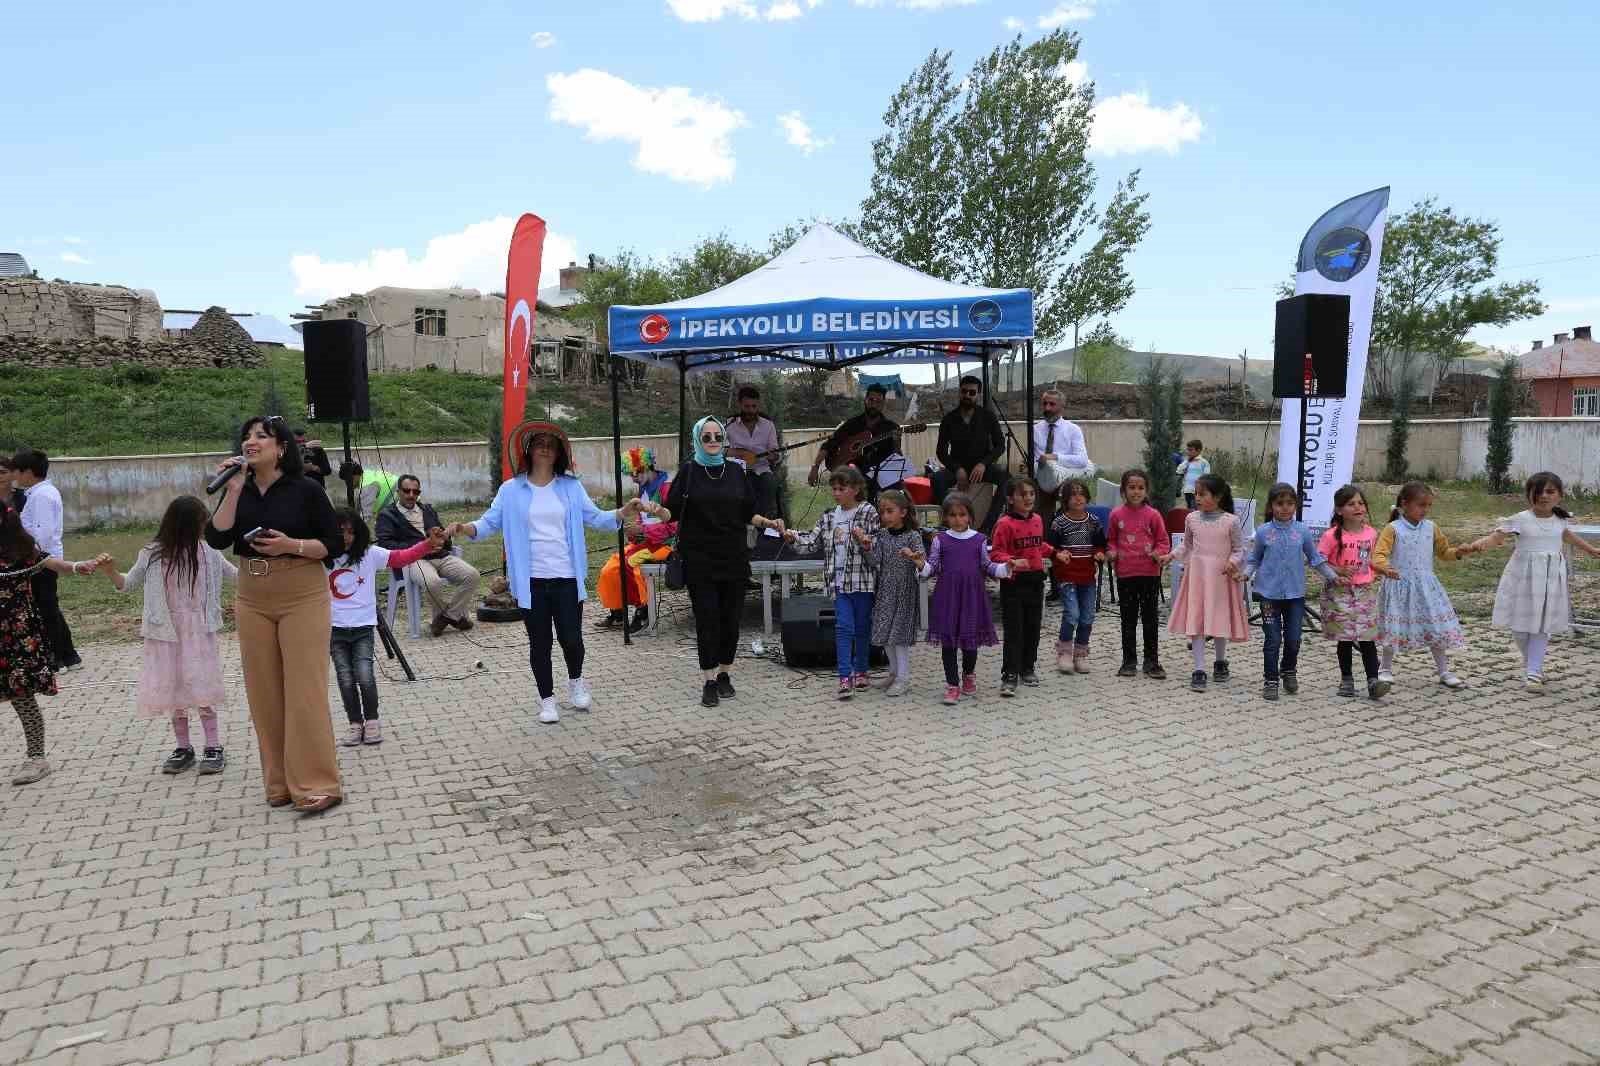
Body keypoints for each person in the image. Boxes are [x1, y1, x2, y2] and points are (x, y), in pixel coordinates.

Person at [449, 422, 648, 724]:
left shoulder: (570, 487)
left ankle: (576, 682)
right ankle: (547, 700)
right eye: (539, 442)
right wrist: (465, 528)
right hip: (531, 583)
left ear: (558, 453)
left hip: (567, 577)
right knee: (539, 644)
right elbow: (488, 523)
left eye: (550, 444)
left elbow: (595, 517)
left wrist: (623, 512)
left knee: (572, 639)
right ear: (528, 450)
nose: (545, 447)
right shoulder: (511, 489)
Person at [205, 415, 345, 814]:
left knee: (304, 690)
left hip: (301, 591)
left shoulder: (307, 489)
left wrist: (291, 545)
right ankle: (280, 782)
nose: (251, 441)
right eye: (246, 436)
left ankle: (318, 782)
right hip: (252, 596)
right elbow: (216, 538)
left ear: (281, 447)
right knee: (264, 692)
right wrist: (232, 490)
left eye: (261, 436)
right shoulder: (239, 487)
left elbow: (332, 544)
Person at [100, 496, 238, 776]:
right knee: (175, 690)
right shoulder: (152, 554)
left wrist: (264, 565)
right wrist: (110, 571)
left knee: (201, 687)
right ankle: (183, 747)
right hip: (165, 634)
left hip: (198, 632)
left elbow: (238, 575)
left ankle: (213, 746)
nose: (206, 528)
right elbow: (126, 584)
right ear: (185, 525)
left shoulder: (209, 553)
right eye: (202, 523)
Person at [666, 417, 784, 708]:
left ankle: (725, 674)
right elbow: (672, 513)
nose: (713, 440)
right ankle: (708, 680)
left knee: (731, 620)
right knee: (707, 620)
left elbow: (749, 512)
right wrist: (654, 509)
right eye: (706, 437)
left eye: (717, 435)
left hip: (733, 557)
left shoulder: (735, 471)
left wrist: (768, 521)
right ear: (697, 440)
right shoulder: (689, 471)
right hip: (699, 559)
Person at [1467, 471, 1600, 689]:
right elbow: (1496, 537)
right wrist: (1479, 544)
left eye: (1550, 491)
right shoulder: (1520, 519)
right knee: (1520, 628)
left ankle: (1533, 671)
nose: (1543, 496)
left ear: (1560, 495)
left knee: (1541, 625)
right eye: (1537, 492)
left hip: (1549, 581)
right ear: (1529, 494)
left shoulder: (1560, 520)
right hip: (1522, 580)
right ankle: (1532, 664)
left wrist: (1591, 549)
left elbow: (1567, 536)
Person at [1, 503, 101, 786]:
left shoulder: (20, 550)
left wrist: (78, 566)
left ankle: (36, 758)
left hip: (17, 636)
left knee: (22, 696)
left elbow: (52, 563)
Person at [327, 508, 446, 745]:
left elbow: (400, 557)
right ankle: (354, 723)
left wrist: (426, 545)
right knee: (345, 678)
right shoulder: (323, 557)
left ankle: (371, 721)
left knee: (365, 676)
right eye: (340, 532)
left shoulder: (369, 554)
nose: (346, 537)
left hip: (363, 628)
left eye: (351, 532)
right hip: (334, 629)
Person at [1371, 481, 1480, 693]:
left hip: (1427, 588)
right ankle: (1385, 668)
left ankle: (1443, 671)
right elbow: (1379, 555)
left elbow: (1444, 552)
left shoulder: (1432, 528)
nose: (1425, 510)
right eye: (1421, 505)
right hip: (1398, 587)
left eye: (1428, 505)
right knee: (1394, 627)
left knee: (1435, 626)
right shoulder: (1392, 529)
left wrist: (1459, 552)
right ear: (1404, 504)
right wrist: (1385, 568)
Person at [1240, 483, 1343, 701]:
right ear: (1271, 506)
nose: (1285, 508)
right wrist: (1245, 574)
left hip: (1295, 596)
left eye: (1290, 503)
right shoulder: (1263, 532)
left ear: (1295, 505)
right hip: (1269, 596)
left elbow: (1315, 558)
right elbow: (1254, 559)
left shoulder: (1302, 531)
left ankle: (1288, 670)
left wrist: (1333, 576)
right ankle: (1270, 679)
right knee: (1272, 639)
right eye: (1280, 504)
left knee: (1294, 638)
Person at [785, 466, 881, 700]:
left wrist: (865, 542)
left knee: (862, 628)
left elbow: (876, 550)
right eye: (834, 489)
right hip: (838, 584)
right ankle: (844, 677)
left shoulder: (868, 512)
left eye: (842, 488)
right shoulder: (829, 517)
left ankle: (861, 671)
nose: (837, 493)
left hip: (862, 582)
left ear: (856, 489)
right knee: (843, 628)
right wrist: (792, 537)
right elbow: (809, 543)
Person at [1160, 474, 1247, 692]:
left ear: (1217, 497)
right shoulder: (1192, 519)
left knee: (1218, 622)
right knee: (1196, 622)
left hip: (1221, 580)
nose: (1197, 498)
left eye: (1202, 494)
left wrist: (1232, 562)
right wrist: (1172, 555)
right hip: (1197, 579)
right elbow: (1187, 546)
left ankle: (1220, 661)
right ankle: (1199, 669)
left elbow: (1239, 549)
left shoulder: (1231, 521)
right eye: (1196, 494)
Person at [920, 492, 1005, 706]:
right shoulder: (940, 540)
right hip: (947, 597)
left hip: (972, 598)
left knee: (970, 641)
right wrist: (920, 565)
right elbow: (933, 566)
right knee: (948, 642)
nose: (958, 519)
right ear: (945, 518)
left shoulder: (979, 540)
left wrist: (1006, 568)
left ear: (970, 517)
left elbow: (987, 566)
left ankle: (969, 674)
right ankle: (952, 685)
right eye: (952, 515)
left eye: (962, 514)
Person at [377, 474, 479, 637]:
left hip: (441, 556)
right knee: (433, 583)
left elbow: (446, 540)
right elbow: (385, 546)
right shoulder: (387, 515)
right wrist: (420, 547)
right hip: (414, 560)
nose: (411, 495)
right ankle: (455, 617)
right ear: (398, 492)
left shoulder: (427, 510)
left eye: (415, 492)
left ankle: (446, 617)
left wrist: (443, 538)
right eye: (407, 491)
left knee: (472, 575)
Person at [11, 449, 81, 672]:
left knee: (45, 609)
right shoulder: (39, 493)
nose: (15, 477)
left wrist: (26, 552)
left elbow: (43, 533)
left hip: (41, 560)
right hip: (41, 558)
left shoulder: (42, 496)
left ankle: (55, 659)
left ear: (29, 472)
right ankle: (69, 656)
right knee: (49, 607)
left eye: (17, 472)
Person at [596, 447, 674, 633]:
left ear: (649, 467)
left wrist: (644, 531)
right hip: (645, 543)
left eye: (637, 472)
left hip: (665, 545)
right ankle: (617, 613)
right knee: (611, 567)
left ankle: (643, 612)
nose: (633, 477)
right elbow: (641, 519)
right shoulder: (644, 490)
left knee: (631, 564)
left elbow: (674, 525)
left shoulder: (667, 488)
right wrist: (634, 532)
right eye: (630, 474)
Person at [1318, 484, 1384, 699]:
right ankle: (1346, 680)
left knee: (1367, 638)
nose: (1357, 507)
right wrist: (1337, 570)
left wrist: (1384, 569)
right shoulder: (1331, 536)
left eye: (1361, 503)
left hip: (1364, 591)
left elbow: (1374, 559)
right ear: (1339, 510)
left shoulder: (1372, 533)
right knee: (1344, 638)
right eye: (1350, 504)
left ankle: (1373, 681)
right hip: (1339, 594)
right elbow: (1318, 561)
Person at [988, 478, 1051, 696]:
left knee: (1033, 628)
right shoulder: (1004, 524)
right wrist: (1011, 561)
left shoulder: (1037, 520)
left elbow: (1038, 545)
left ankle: (1028, 667)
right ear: (1010, 498)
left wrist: (1055, 552)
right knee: (1015, 630)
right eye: (1022, 494)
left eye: (1031, 493)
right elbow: (995, 552)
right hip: (1013, 583)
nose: (1028, 498)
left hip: (1035, 580)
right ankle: (1010, 673)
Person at [1107, 469, 1169, 680]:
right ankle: (1128, 661)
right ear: (1124, 490)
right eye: (1132, 487)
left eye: (1140, 488)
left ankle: (1152, 662)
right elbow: (1112, 540)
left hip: (1149, 575)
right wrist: (1112, 552)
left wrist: (1158, 553)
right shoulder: (1116, 515)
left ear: (1146, 490)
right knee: (1128, 619)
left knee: (1150, 619)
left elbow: (1163, 541)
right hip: (1126, 575)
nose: (1136, 491)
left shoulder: (1153, 515)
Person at [864, 489, 924, 698]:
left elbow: (922, 563)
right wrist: (866, 548)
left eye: (890, 511)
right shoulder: (882, 535)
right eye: (883, 512)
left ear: (903, 512)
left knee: (899, 637)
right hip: (885, 590)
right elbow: (875, 561)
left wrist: (914, 557)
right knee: (885, 634)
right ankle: (893, 672)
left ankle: (903, 679)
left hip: (905, 592)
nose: (885, 516)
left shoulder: (913, 536)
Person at [933, 376, 1007, 532]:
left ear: (978, 394)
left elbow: (1000, 445)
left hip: (982, 467)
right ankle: (949, 524)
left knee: (1006, 478)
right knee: (936, 479)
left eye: (972, 392)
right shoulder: (949, 419)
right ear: (959, 392)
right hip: (957, 467)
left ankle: (988, 527)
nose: (967, 395)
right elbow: (941, 451)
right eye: (964, 391)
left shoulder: (988, 416)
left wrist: (983, 464)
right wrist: (957, 468)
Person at [1047, 479, 1106, 675]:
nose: (1078, 497)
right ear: (1065, 499)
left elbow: (1100, 544)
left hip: (1088, 576)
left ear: (1087, 497)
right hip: (1067, 577)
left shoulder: (1094, 521)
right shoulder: (1059, 523)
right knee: (1072, 615)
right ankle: (1064, 652)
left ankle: (1080, 653)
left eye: (1081, 493)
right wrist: (1058, 556)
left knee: (1087, 616)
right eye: (1073, 494)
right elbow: (1051, 549)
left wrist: (1099, 553)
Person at [809, 383, 901, 495]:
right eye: (871, 400)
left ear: (883, 404)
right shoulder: (852, 424)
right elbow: (829, 444)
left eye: (878, 402)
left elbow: (897, 457)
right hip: (852, 480)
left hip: (879, 481)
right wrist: (815, 467)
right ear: (865, 400)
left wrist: (896, 442)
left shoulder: (891, 428)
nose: (874, 405)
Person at [1031, 389, 1094, 519]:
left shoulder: (1073, 430)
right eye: (1044, 403)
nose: (1047, 408)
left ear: (1062, 407)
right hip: (1041, 481)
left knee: (1070, 499)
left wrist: (1055, 457)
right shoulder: (1034, 430)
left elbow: (1082, 460)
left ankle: (1066, 529)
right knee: (1041, 516)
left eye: (1052, 404)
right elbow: (1032, 458)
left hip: (1064, 481)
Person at [726, 385, 783, 519]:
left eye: (754, 406)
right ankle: (743, 521)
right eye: (747, 406)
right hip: (738, 471)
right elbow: (721, 451)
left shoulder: (768, 425)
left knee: (769, 483)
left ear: (758, 405)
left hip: (762, 469)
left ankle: (760, 523)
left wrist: (773, 457)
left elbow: (775, 454)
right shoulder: (729, 425)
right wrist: (740, 453)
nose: (750, 410)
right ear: (739, 404)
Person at [1176, 440, 1210, 510]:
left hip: (1197, 491)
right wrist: (1187, 461)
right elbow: (1179, 470)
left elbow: (1206, 478)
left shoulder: (1204, 463)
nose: (1188, 452)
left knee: (1196, 508)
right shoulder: (1187, 462)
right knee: (1189, 509)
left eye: (1191, 450)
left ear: (1199, 450)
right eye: (1188, 450)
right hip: (1187, 490)